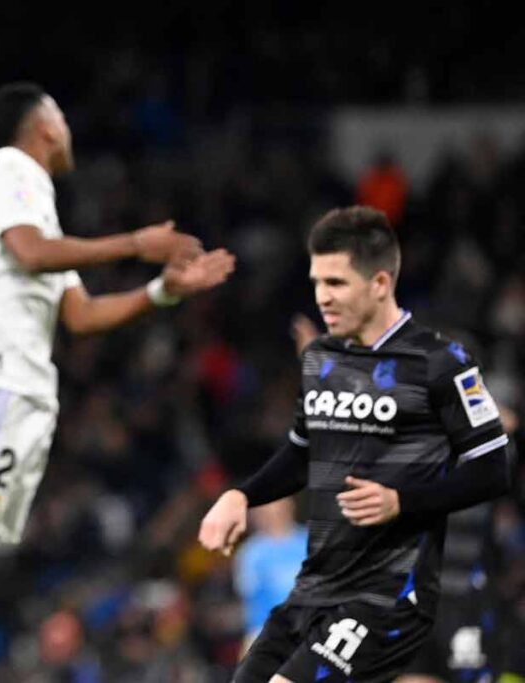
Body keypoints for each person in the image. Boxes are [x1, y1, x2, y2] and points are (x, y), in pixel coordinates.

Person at [0, 82, 236, 644]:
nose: (67, 129)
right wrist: (135, 243)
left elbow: (81, 314)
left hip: (14, 386)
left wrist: (162, 291)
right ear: (45, 125)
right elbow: (32, 253)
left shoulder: (37, 208)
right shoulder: (10, 175)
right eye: (60, 115)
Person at [199, 206, 511, 682]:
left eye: (337, 283)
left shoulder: (440, 362)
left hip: (386, 595)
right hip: (315, 589)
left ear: (380, 283)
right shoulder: (324, 361)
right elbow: (301, 453)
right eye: (317, 282)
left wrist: (402, 501)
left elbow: (493, 468)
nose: (322, 296)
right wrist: (242, 494)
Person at [233, 497, 307, 654]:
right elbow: (248, 600)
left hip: (308, 631)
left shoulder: (311, 543)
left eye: (278, 503)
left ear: (290, 505)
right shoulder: (250, 553)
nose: (274, 510)